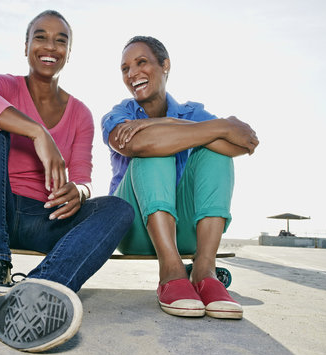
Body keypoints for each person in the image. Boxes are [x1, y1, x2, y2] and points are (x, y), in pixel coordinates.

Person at [0, 10, 134, 352]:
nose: (50, 46)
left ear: (69, 52)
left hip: (44, 218)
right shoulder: (6, 86)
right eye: (41, 36)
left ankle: (36, 287)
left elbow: (83, 177)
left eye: (61, 40)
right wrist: (36, 132)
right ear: (27, 46)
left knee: (118, 208)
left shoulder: (80, 113)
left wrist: (79, 191)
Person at [101, 36, 259, 320]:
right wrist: (219, 128)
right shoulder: (119, 114)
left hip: (187, 232)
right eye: (125, 68)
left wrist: (165, 122)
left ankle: (204, 272)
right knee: (154, 148)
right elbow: (137, 145)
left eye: (141, 63)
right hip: (133, 227)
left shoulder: (193, 112)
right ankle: (171, 273)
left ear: (165, 65)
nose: (132, 73)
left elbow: (242, 144)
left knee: (215, 155)